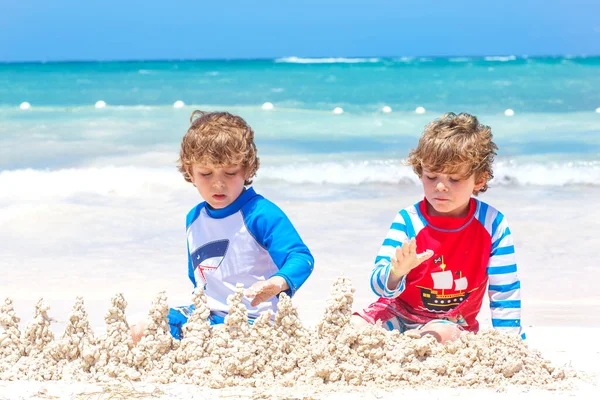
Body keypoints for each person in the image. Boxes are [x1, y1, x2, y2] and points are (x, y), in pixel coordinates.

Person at [132, 110, 314, 342]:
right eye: (206, 173)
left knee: (221, 340)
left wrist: (276, 283)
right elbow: (198, 277)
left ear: (247, 169)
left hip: (255, 321)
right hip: (208, 316)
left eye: (230, 172)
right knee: (142, 330)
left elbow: (300, 257)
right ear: (190, 172)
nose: (218, 183)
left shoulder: (260, 214)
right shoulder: (194, 218)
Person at [352, 112, 524, 342]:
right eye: (431, 176)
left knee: (436, 335)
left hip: (452, 322)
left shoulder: (493, 224)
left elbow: (504, 291)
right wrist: (396, 273)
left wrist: (511, 342)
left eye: (454, 179)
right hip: (397, 311)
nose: (441, 187)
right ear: (420, 172)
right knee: (354, 327)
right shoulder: (408, 220)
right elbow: (378, 285)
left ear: (479, 180)